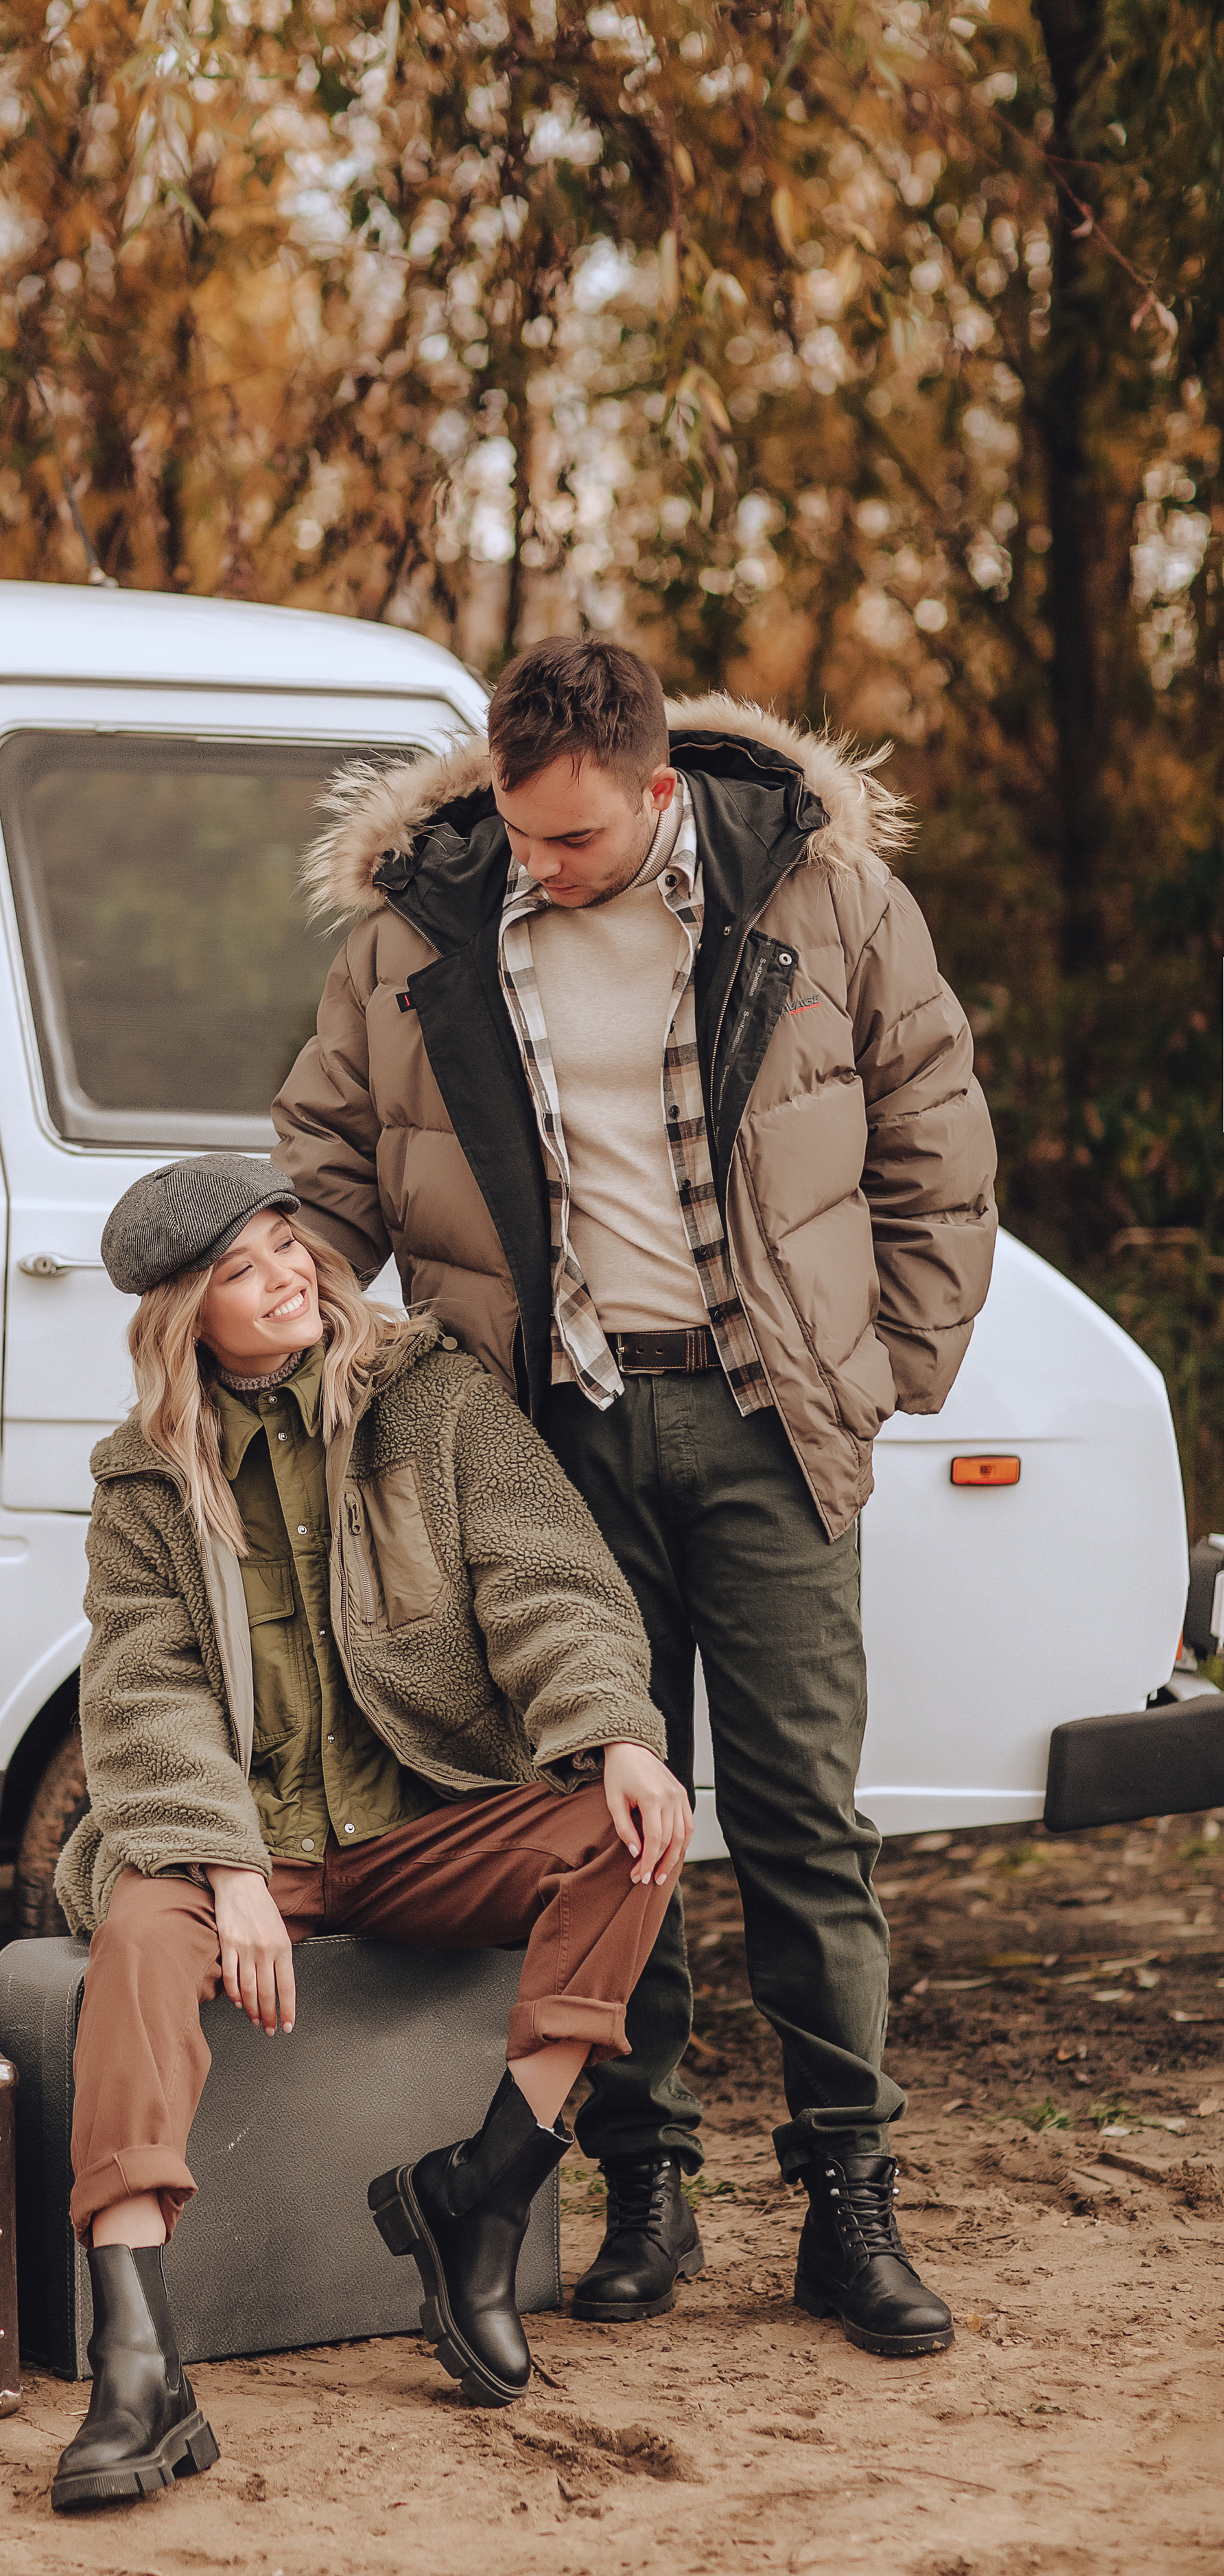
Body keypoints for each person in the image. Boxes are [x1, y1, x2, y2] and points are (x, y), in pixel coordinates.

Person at [272, 640, 998, 2361]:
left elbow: (933, 1130)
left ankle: (847, 2200)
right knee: (610, 1821)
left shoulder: (820, 897)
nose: (539, 863)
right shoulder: (417, 932)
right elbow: (328, 1161)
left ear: (655, 789)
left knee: (803, 1823)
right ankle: (640, 2187)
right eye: (517, 830)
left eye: (574, 838)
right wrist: (277, 1314)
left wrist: (884, 1368)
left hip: (767, 1427)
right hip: (550, 1440)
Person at [47, 1151, 688, 2511]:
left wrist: (614, 1731)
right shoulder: (144, 1481)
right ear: (185, 1317)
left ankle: (482, 2191)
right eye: (240, 1270)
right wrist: (228, 1869)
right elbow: (144, 1691)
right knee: (136, 1945)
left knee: (629, 1834)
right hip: (242, 1843)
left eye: (286, 1242)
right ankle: (138, 2367)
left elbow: (545, 1577)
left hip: (421, 1822)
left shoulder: (433, 1398)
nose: (285, 1275)